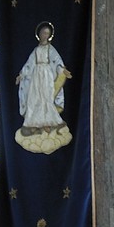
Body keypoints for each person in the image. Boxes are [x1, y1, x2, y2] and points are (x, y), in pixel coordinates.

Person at [14, 22, 71, 154]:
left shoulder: (50, 49)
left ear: (49, 35)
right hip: (36, 75)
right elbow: (29, 65)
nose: (44, 35)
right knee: (34, 98)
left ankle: (48, 122)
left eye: (47, 33)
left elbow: (57, 62)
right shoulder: (36, 50)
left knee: (46, 99)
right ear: (39, 34)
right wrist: (21, 75)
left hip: (46, 75)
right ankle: (33, 124)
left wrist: (62, 71)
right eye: (42, 33)